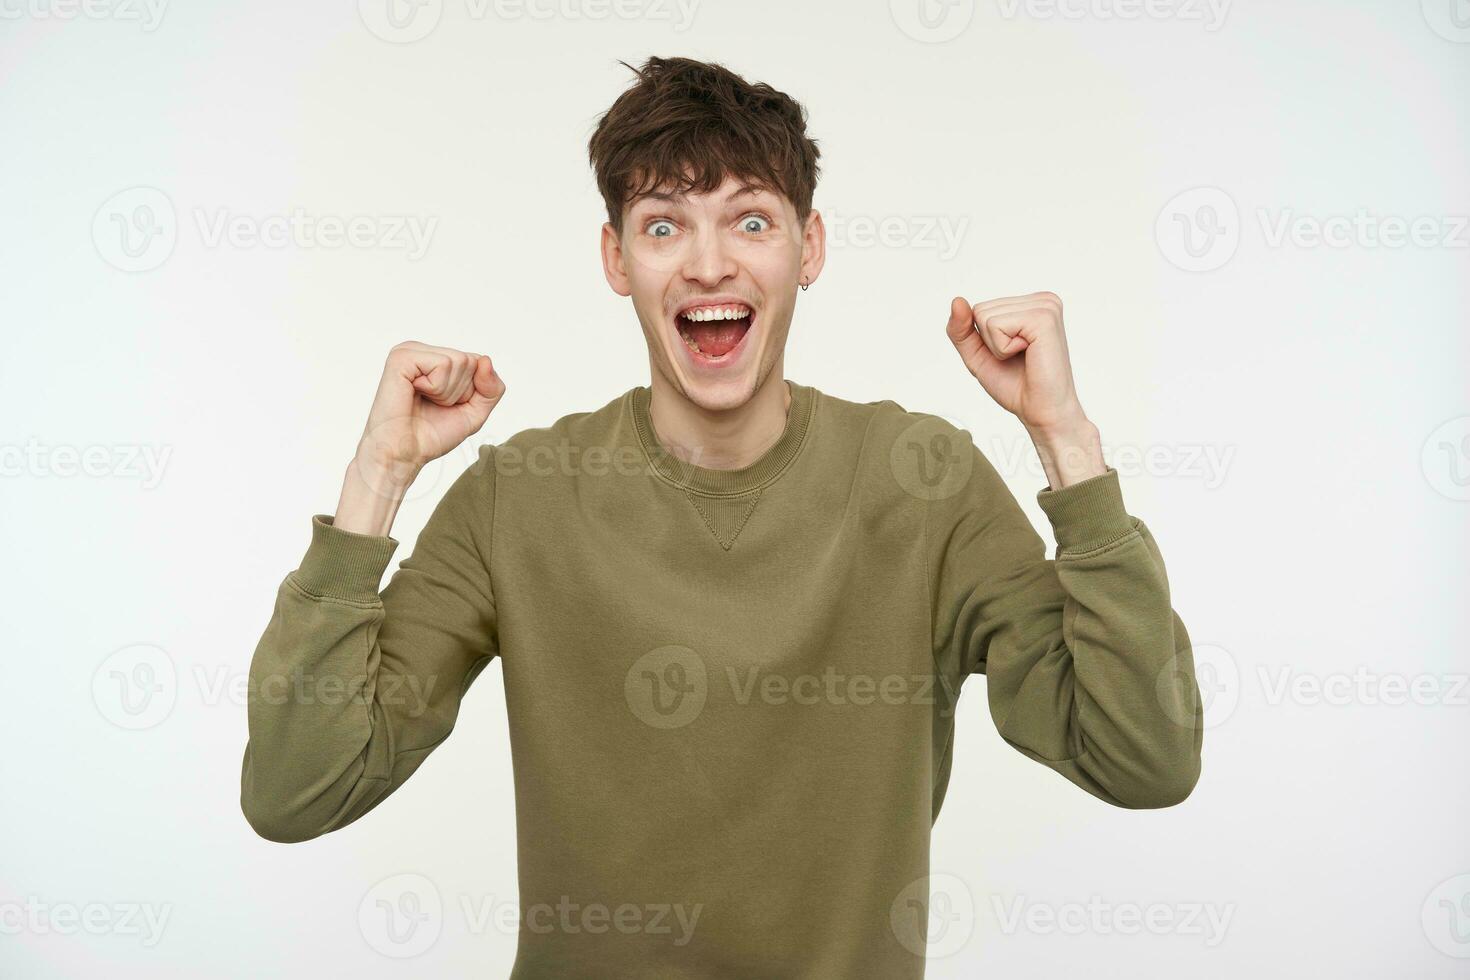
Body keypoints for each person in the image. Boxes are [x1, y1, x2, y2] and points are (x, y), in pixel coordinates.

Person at [240, 55, 1203, 979]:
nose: (708, 265)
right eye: (663, 227)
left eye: (750, 221)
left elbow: (1142, 760)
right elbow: (296, 792)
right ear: (616, 258)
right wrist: (379, 477)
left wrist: (1066, 440)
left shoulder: (924, 483)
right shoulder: (517, 496)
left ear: (808, 248)